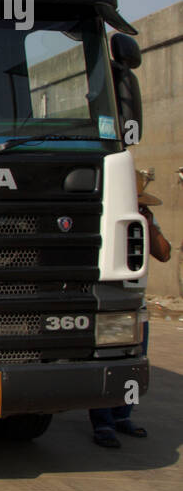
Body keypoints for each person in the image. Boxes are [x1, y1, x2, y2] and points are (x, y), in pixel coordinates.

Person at [89, 170, 171, 448]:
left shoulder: (143, 220)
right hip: (110, 301)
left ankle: (123, 416)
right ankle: (103, 423)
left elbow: (164, 253)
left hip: (137, 304)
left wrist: (148, 223)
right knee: (106, 362)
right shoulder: (105, 215)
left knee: (133, 366)